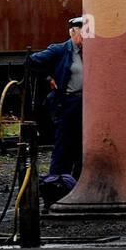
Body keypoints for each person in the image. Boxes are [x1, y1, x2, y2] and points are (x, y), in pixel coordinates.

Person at [29, 17, 84, 209]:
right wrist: (48, 77)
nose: (86, 36)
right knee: (63, 148)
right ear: (73, 32)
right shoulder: (60, 50)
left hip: (87, 105)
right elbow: (32, 62)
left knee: (83, 150)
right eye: (82, 31)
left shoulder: (91, 51)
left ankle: (77, 188)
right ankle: (55, 190)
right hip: (68, 104)